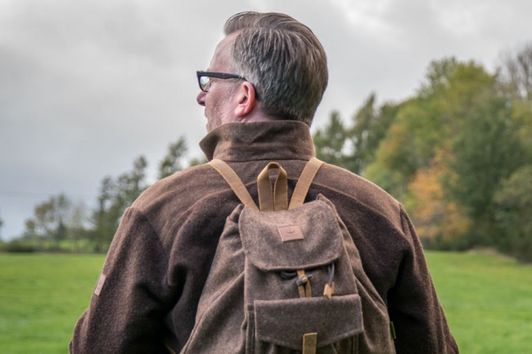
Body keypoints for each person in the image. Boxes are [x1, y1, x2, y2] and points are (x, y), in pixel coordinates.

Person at [71, 11, 458, 354]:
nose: (201, 97)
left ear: (243, 95)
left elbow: (97, 347)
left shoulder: (163, 209)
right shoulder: (380, 211)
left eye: (209, 81)